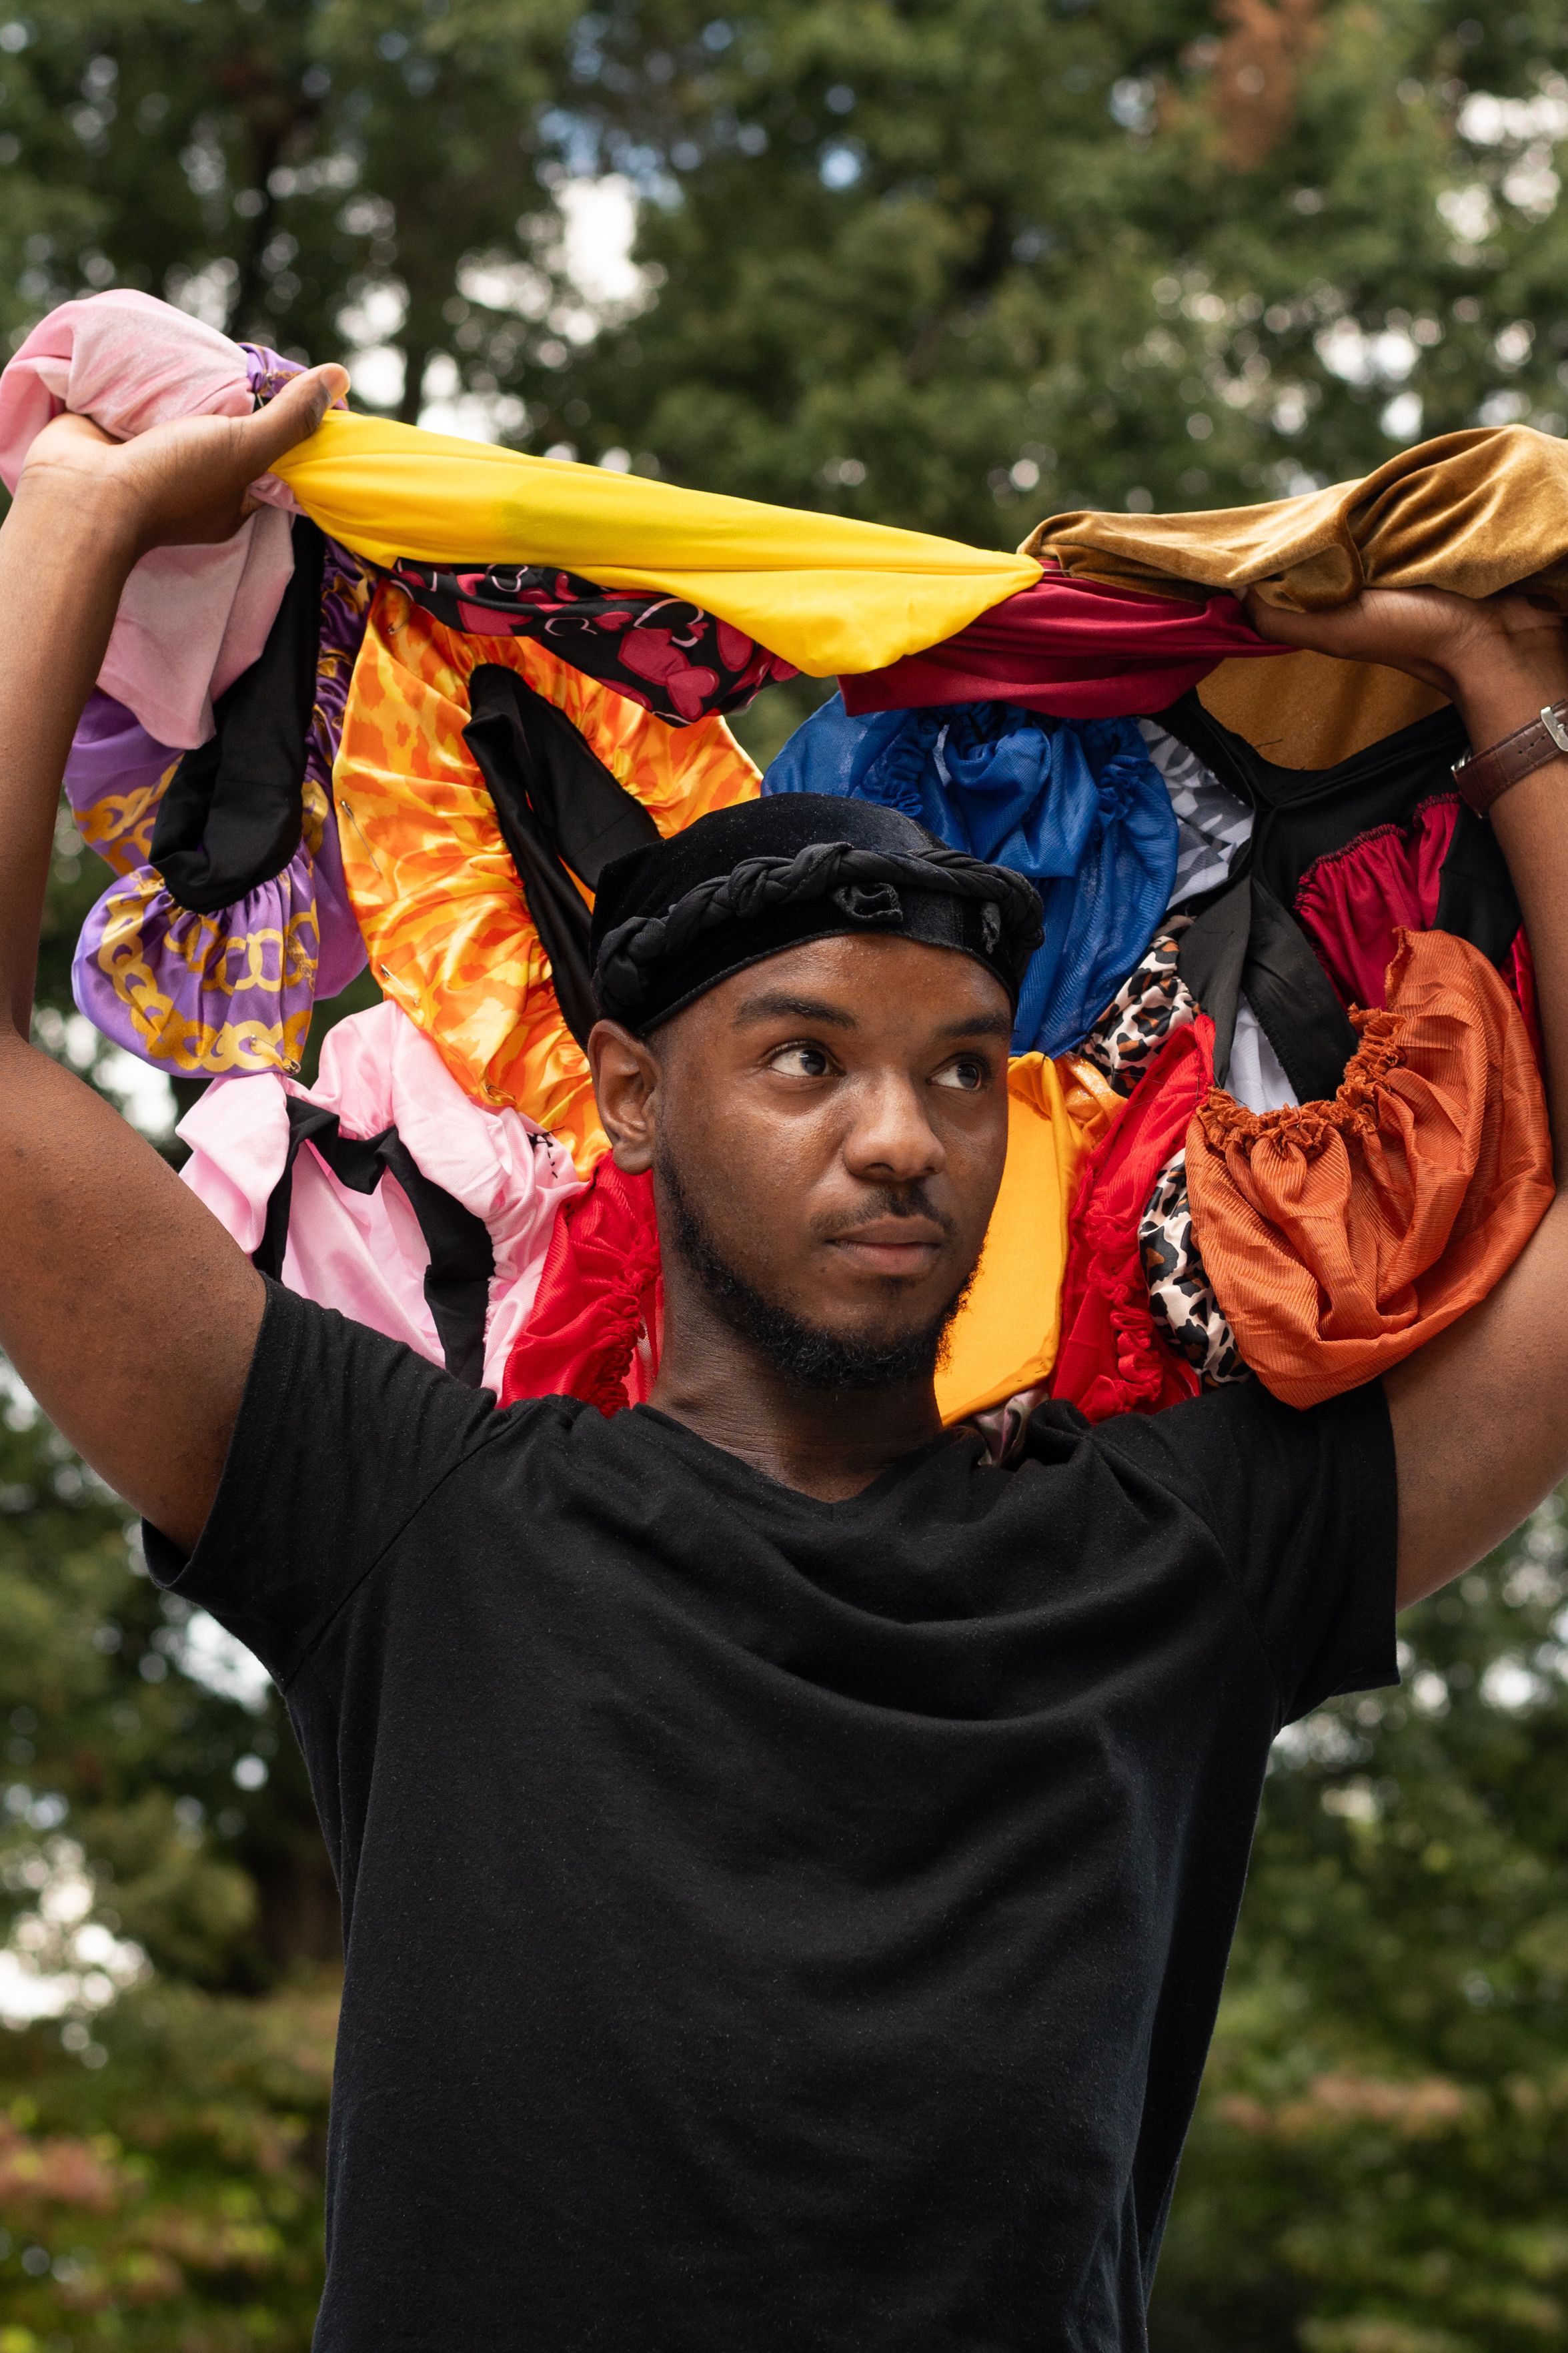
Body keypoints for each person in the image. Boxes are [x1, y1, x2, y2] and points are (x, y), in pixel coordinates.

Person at [3, 368, 1568, 2353]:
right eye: (808, 1061)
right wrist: (76, 519)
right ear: (638, 1104)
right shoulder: (414, 1523)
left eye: (959, 1075)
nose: (904, 1136)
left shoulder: (1170, 1561)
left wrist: (1504, 692)